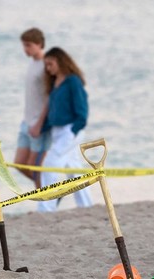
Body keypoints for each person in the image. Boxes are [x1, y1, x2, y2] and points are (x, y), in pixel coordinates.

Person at [36, 47, 93, 212]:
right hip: (57, 131)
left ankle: (46, 207)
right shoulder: (55, 84)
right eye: (46, 65)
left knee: (50, 164)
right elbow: (55, 112)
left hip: (70, 130)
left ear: (60, 61)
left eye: (50, 64)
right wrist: (42, 128)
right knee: (74, 169)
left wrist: (74, 130)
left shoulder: (73, 81)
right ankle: (87, 205)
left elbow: (82, 109)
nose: (48, 68)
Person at [15, 28, 51, 188]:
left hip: (39, 123)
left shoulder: (46, 65)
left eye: (28, 45)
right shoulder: (32, 63)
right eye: (24, 45)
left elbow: (50, 97)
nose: (25, 49)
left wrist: (40, 123)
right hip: (26, 121)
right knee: (19, 164)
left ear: (39, 44)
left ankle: (47, 197)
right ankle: (51, 191)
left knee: (34, 167)